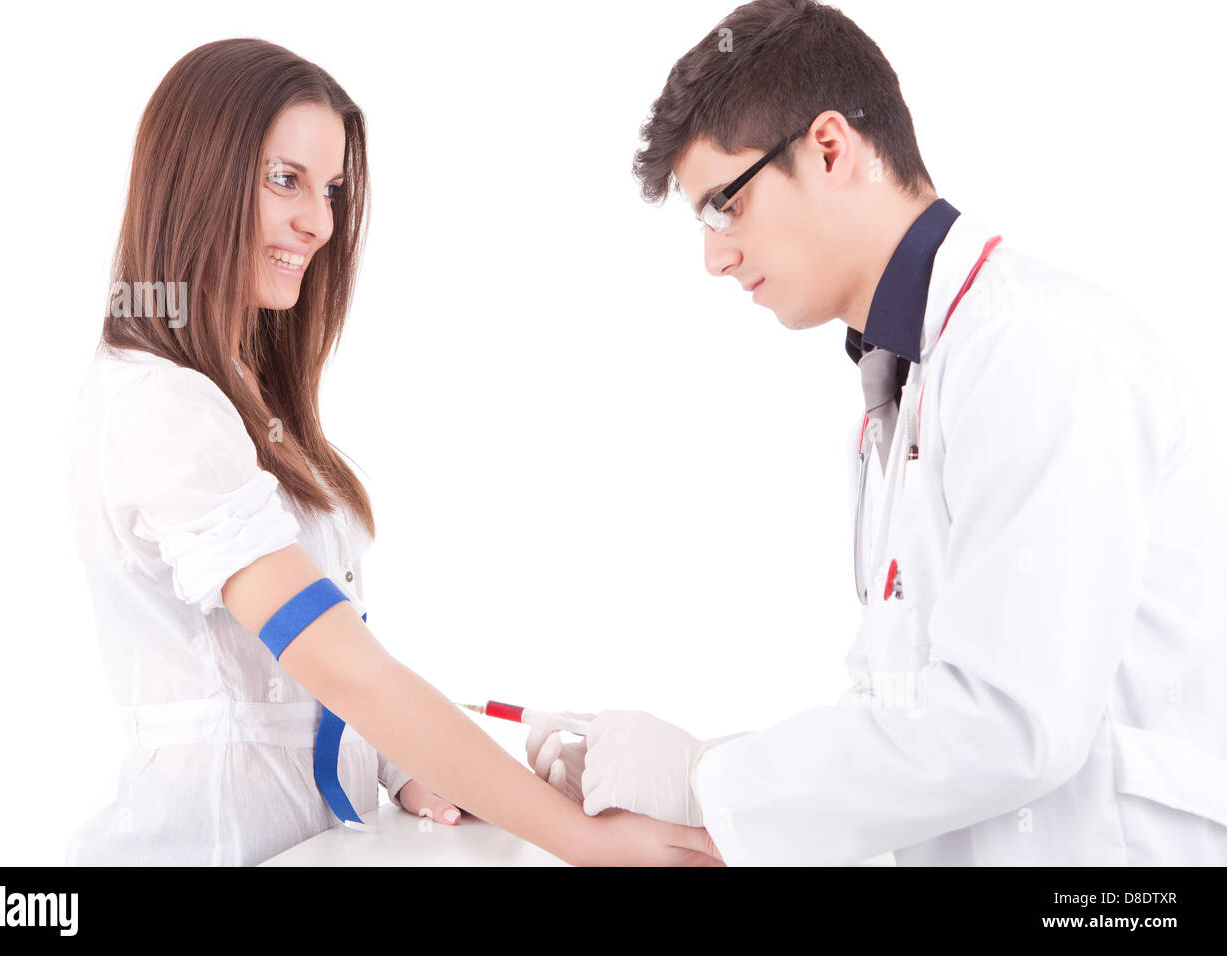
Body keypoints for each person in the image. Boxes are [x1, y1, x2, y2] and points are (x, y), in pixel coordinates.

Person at [526, 0, 1227, 865]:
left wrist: (711, 777)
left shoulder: (1032, 349)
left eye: (723, 207)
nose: (713, 257)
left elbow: (1011, 726)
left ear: (829, 148)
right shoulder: (907, 382)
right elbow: (904, 716)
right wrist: (681, 788)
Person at [65, 37, 721, 867]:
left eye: (331, 188)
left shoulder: (234, 394)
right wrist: (585, 842)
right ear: (195, 176)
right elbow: (342, 670)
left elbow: (301, 687)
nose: (320, 222)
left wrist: (403, 762)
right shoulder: (159, 406)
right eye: (284, 179)